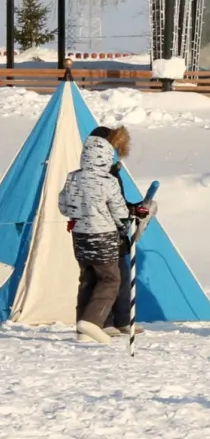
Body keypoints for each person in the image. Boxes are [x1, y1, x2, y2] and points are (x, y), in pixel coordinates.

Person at [58, 129, 148, 346]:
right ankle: (92, 322)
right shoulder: (108, 181)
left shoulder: (73, 177)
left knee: (88, 279)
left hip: (80, 237)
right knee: (110, 279)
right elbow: (119, 212)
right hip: (104, 237)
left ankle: (82, 328)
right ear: (107, 154)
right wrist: (127, 219)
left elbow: (63, 206)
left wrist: (82, 215)